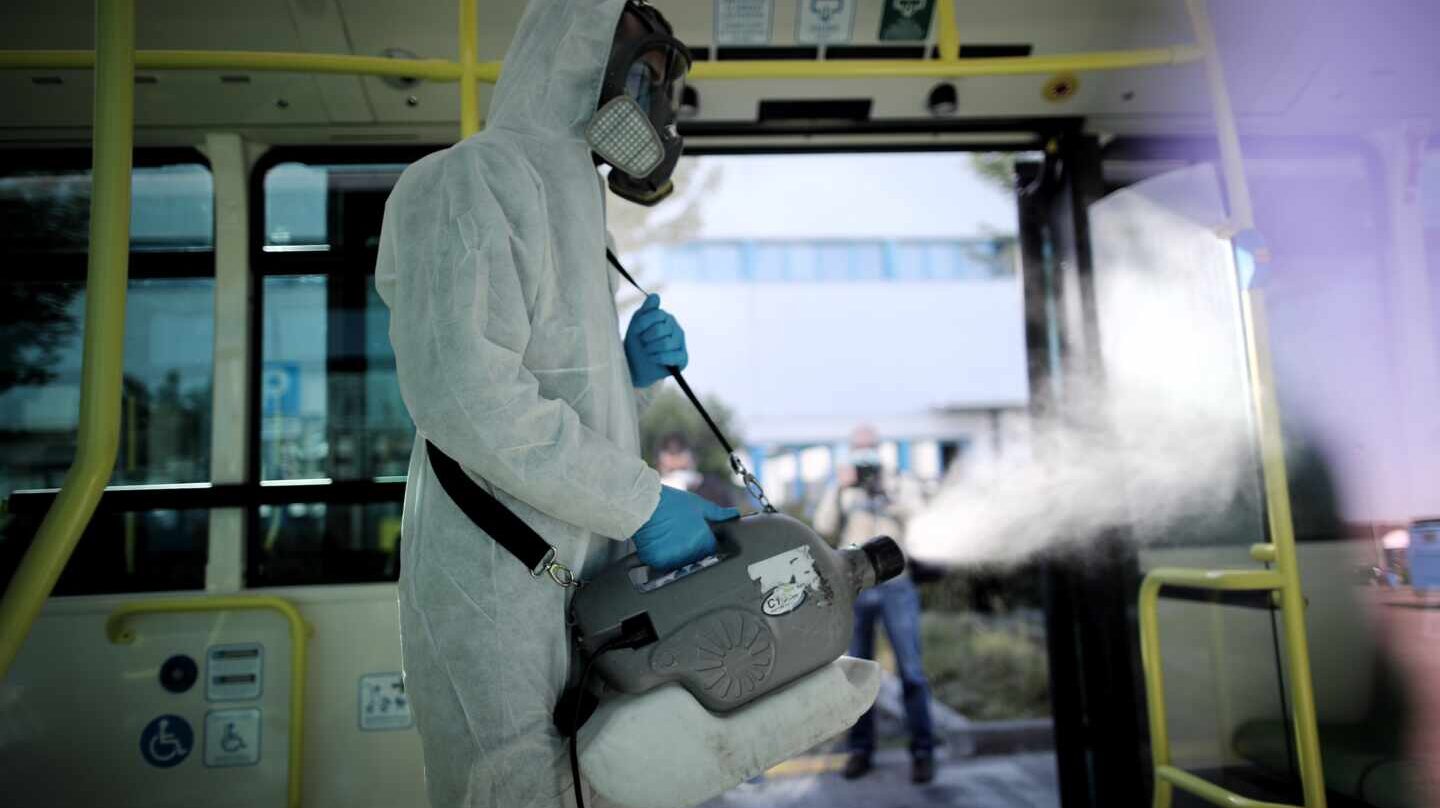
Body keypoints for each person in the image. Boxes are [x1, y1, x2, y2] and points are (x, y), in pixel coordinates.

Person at [375, 2, 738, 806]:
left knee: (593, 782)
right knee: (511, 786)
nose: (653, 109)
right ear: (580, 62)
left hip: (574, 568)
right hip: (498, 576)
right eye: (643, 79)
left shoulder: (573, 199)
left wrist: (626, 370)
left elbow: (547, 376)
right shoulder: (470, 179)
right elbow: (467, 394)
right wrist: (640, 502)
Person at [813, 425, 937, 784]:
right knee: (856, 671)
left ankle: (923, 753)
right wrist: (841, 486)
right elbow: (823, 525)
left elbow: (919, 517)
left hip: (897, 584)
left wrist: (887, 495)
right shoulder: (843, 485)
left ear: (879, 449)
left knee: (911, 671)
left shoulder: (899, 481)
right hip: (858, 586)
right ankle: (860, 751)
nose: (864, 455)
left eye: (869, 448)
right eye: (858, 448)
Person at [654, 431, 737, 508]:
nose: (675, 461)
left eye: (680, 451)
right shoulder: (653, 495)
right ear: (659, 465)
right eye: (671, 470)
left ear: (694, 460)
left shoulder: (715, 489)